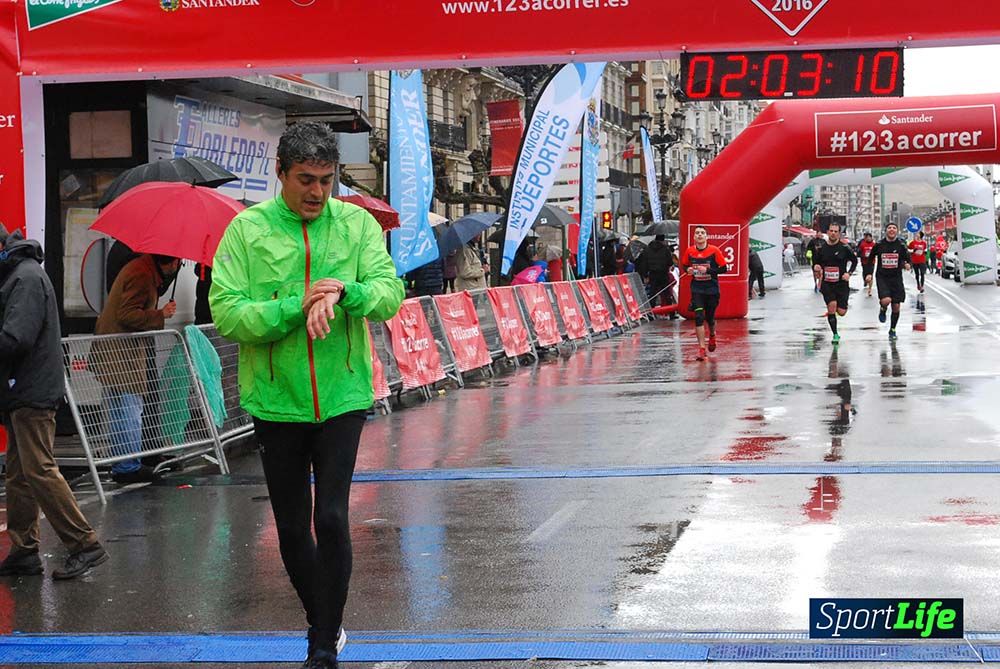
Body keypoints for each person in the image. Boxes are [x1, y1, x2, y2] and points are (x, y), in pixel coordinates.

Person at [209, 121, 404, 669]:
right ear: (281, 175)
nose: (317, 191)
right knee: (292, 525)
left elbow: (390, 294)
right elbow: (228, 313)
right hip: (276, 399)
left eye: (326, 179)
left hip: (342, 394)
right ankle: (326, 621)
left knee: (333, 519)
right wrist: (296, 306)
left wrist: (347, 292)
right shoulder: (247, 231)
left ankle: (321, 643)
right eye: (305, 180)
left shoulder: (357, 225)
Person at [0, 229, 109, 580]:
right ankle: (24, 550)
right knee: (19, 473)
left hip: (31, 390)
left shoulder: (25, 278)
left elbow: (16, 338)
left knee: (38, 471)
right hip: (22, 391)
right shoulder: (21, 275)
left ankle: (84, 544)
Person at [93, 253, 180, 484]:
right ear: (171, 263)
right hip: (121, 353)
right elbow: (127, 314)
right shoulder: (142, 275)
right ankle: (128, 465)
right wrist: (160, 314)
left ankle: (123, 463)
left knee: (120, 410)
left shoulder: (142, 269)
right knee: (130, 408)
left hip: (114, 348)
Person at [680, 226, 729, 361]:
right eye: (697, 233)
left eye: (702, 233)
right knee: (699, 316)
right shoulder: (689, 251)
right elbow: (684, 265)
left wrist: (707, 271)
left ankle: (712, 335)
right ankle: (701, 348)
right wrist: (688, 269)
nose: (700, 235)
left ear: (706, 237)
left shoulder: (714, 251)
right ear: (694, 237)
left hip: (712, 289)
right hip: (697, 289)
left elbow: (724, 269)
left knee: (710, 318)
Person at [812, 222, 857, 345]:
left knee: (841, 312)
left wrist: (849, 273)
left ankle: (838, 307)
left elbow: (854, 261)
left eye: (836, 231)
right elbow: (816, 263)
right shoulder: (821, 249)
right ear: (828, 232)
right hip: (827, 283)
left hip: (841, 284)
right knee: (831, 306)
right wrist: (816, 267)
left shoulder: (845, 248)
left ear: (839, 234)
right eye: (831, 231)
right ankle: (835, 334)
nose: (833, 233)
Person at [871, 223, 911, 341]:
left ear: (897, 231)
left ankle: (892, 329)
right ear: (886, 231)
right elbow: (870, 258)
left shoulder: (901, 245)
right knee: (886, 300)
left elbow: (908, 258)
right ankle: (883, 309)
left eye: (894, 228)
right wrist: (868, 273)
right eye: (889, 228)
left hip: (896, 278)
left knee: (896, 306)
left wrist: (908, 264)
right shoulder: (879, 245)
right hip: (882, 277)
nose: (892, 230)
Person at [635, 234, 675, 308]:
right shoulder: (665, 249)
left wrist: (645, 275)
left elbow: (644, 263)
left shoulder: (647, 249)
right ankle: (671, 313)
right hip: (663, 274)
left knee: (653, 294)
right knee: (667, 294)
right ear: (663, 240)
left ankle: (651, 313)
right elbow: (670, 262)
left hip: (652, 274)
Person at [857, 232, 876, 297]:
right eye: (866, 237)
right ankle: (865, 281)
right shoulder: (862, 244)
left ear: (871, 237)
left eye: (869, 237)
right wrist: (863, 256)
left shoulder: (874, 244)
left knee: (870, 275)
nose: (868, 238)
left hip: (872, 262)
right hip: (864, 262)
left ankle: (869, 290)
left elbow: (876, 252)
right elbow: (858, 253)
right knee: (865, 273)